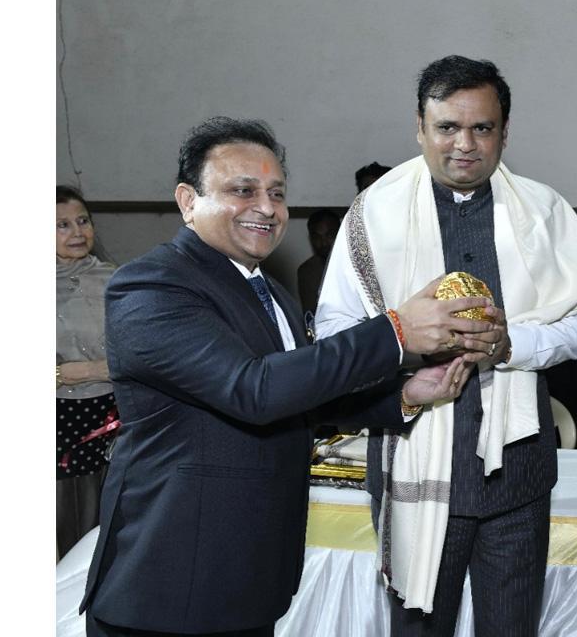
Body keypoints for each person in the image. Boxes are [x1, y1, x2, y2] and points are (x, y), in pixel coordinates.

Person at [79, 117, 496, 637]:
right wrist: (395, 331)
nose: (266, 207)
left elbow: (298, 399)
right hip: (173, 584)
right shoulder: (151, 287)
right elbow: (253, 390)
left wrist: (406, 393)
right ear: (188, 200)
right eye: (242, 190)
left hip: (249, 579)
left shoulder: (268, 291)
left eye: (276, 193)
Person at [316, 55, 577, 636]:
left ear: (504, 132)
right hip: (411, 460)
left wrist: (509, 344)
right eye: (447, 127)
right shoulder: (373, 215)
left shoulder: (545, 213)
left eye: (482, 128)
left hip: (518, 475)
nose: (464, 144)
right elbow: (336, 330)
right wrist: (407, 342)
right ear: (420, 128)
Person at [56, 185, 118, 561]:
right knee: (66, 521)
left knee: (107, 519)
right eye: (61, 225)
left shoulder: (117, 280)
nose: (77, 232)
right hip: (60, 419)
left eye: (82, 221)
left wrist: (95, 370)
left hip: (114, 413)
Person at [295, 208, 340, 318]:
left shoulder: (358, 265)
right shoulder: (307, 272)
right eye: (317, 237)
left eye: (329, 235)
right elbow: (310, 316)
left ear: (340, 233)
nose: (323, 243)